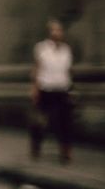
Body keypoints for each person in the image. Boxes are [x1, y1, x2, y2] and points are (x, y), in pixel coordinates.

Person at [30, 19, 75, 163]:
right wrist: (35, 89)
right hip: (46, 88)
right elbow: (37, 69)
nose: (57, 33)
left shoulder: (66, 50)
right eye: (54, 30)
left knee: (65, 121)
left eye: (59, 30)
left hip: (62, 88)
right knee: (41, 121)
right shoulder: (42, 48)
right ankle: (36, 146)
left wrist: (72, 88)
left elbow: (68, 71)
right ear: (49, 33)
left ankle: (65, 152)